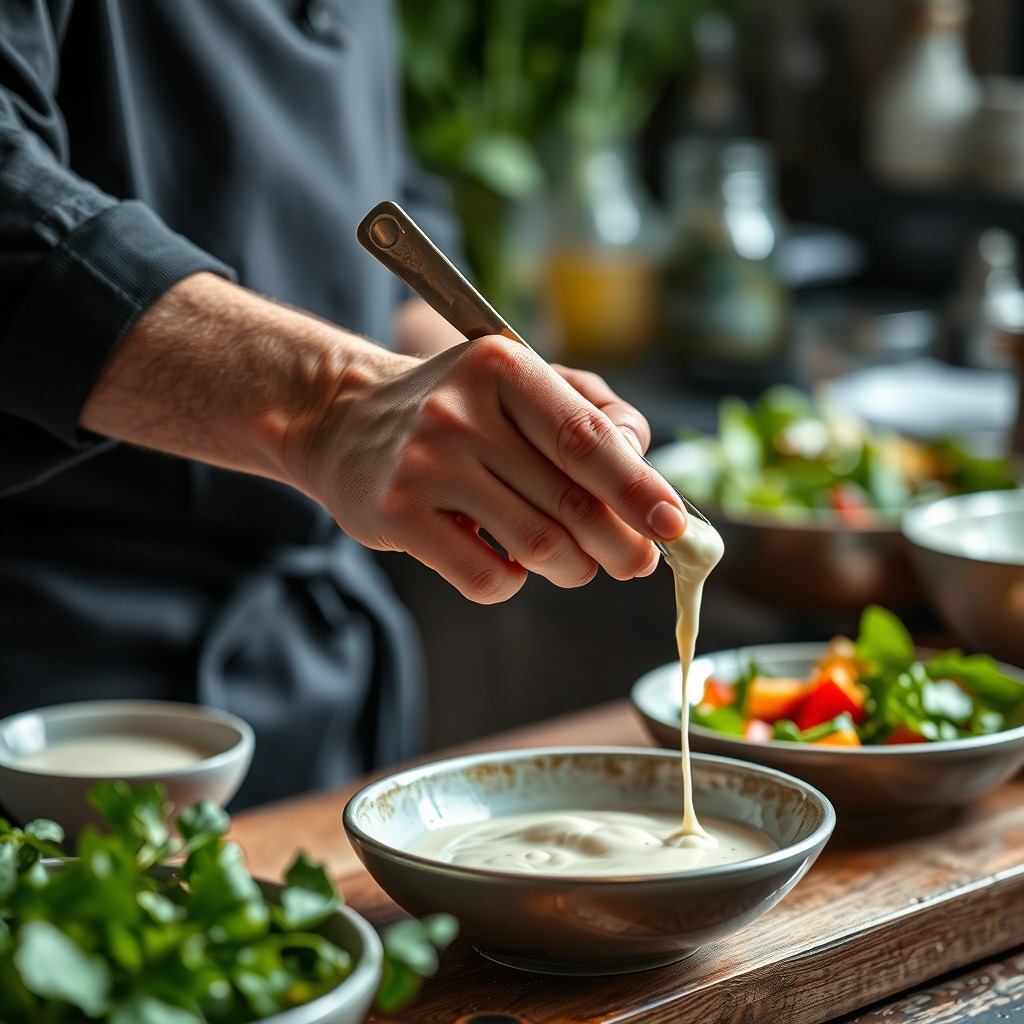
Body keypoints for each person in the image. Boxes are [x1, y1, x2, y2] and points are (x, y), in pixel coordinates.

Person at [0, 1, 687, 809]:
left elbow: (384, 200)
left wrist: (482, 374)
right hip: (62, 690)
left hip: (326, 671)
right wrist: (333, 403)